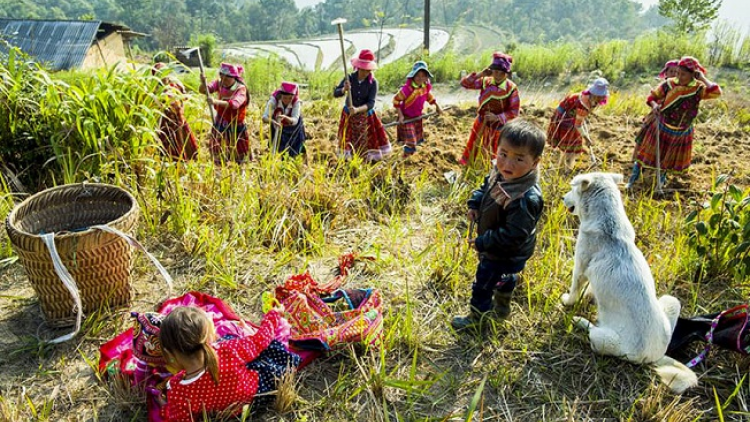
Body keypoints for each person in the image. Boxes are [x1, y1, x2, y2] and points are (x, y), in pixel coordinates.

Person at [451, 119, 546, 330]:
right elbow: (486, 186)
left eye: (519, 158)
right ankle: (502, 307)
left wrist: (483, 242)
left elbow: (513, 236)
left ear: (535, 162)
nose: (507, 164)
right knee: (505, 278)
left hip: (504, 252)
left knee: (484, 283)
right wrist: (475, 203)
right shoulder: (500, 172)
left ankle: (478, 320)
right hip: (498, 249)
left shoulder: (523, 198)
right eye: (503, 154)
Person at [159, 306, 292, 422]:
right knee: (263, 351)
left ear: (168, 353)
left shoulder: (178, 393)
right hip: (257, 395)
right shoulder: (229, 350)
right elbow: (261, 340)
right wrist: (273, 315)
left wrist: (165, 406)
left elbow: (180, 419)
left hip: (232, 412)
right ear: (209, 336)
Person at [626, 56, 722, 189]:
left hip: (681, 131)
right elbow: (652, 97)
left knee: (668, 160)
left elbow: (716, 92)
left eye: (683, 74)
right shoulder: (669, 84)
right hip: (661, 126)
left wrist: (702, 79)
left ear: (693, 75)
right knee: (645, 155)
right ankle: (632, 180)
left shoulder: (698, 89)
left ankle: (659, 184)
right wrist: (654, 106)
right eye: (677, 73)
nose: (679, 77)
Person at [459, 52, 520, 167]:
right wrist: (479, 74)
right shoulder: (485, 82)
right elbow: (464, 84)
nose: (497, 75)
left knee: (494, 152)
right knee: (475, 147)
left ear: (506, 73)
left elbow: (514, 112)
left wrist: (497, 117)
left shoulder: (511, 88)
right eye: (495, 71)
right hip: (482, 122)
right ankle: (470, 167)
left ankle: (490, 172)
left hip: (499, 127)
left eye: (500, 72)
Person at [333, 49, 391, 161]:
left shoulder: (373, 83)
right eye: (363, 70)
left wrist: (357, 109)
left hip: (366, 115)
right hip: (349, 114)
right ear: (358, 67)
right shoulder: (349, 78)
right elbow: (336, 93)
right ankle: (348, 159)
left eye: (368, 70)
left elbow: (371, 103)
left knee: (368, 139)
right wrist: (344, 89)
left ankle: (367, 159)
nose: (366, 73)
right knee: (348, 139)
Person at [546, 78, 609, 171]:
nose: (602, 98)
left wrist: (582, 125)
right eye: (601, 96)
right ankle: (567, 169)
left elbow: (580, 120)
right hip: (565, 120)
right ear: (595, 95)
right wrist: (586, 138)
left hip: (571, 118)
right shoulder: (583, 104)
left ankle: (562, 167)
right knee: (570, 148)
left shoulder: (589, 99)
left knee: (570, 146)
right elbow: (578, 125)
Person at [200, 63, 251, 164]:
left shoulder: (240, 88)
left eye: (227, 79)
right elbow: (203, 90)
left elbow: (235, 104)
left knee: (239, 152)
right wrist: (203, 82)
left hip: (235, 123)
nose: (224, 81)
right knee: (218, 149)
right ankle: (220, 166)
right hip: (221, 120)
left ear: (234, 77)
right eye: (222, 77)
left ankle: (241, 168)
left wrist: (215, 102)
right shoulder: (219, 83)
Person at [629, 60, 680, 161]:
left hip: (671, 119)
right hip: (656, 116)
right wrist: (655, 105)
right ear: (666, 73)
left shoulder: (681, 87)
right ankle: (634, 157)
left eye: (676, 72)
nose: (674, 74)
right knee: (643, 136)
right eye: (671, 72)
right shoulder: (663, 86)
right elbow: (650, 99)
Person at [392, 61, 442, 156]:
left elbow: (430, 98)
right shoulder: (407, 89)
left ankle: (410, 156)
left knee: (415, 140)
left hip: (417, 118)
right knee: (411, 141)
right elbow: (396, 100)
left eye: (423, 76)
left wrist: (437, 107)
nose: (420, 78)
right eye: (418, 75)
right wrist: (401, 116)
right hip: (407, 118)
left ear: (426, 77)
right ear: (413, 76)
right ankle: (406, 159)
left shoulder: (425, 88)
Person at [152, 63, 199, 161]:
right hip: (166, 123)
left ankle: (187, 160)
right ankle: (172, 162)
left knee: (184, 140)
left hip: (179, 119)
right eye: (160, 74)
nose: (164, 76)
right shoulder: (155, 90)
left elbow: (184, 96)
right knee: (169, 144)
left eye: (165, 73)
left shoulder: (175, 85)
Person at [262, 81, 306, 157]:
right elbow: (264, 117)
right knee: (277, 144)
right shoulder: (273, 100)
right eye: (284, 98)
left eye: (290, 98)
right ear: (280, 95)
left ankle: (294, 158)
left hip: (293, 127)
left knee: (294, 146)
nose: (287, 100)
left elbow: (295, 120)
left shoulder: (296, 102)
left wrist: (285, 118)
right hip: (277, 123)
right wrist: (272, 121)